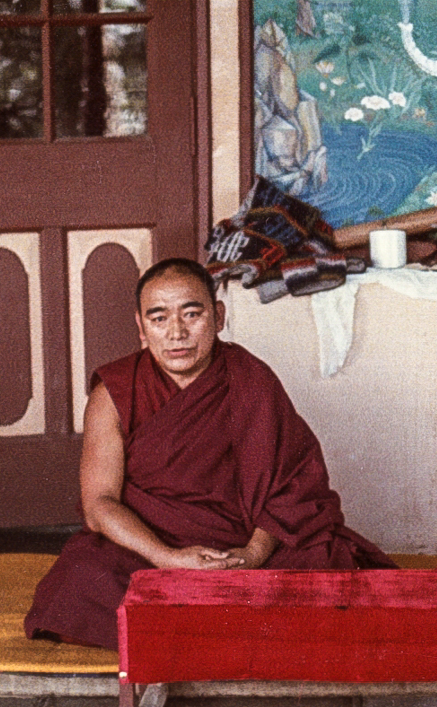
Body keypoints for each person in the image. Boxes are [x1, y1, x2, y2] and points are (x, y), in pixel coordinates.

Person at [26, 257, 395, 651]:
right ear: (141, 328)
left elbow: (295, 487)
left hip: (240, 547)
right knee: (82, 578)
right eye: (159, 318)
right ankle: (232, 625)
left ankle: (194, 626)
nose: (177, 333)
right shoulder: (115, 393)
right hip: (153, 548)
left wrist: (252, 555)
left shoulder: (250, 379)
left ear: (218, 317)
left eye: (192, 314)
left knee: (328, 565)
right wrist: (167, 558)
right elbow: (99, 504)